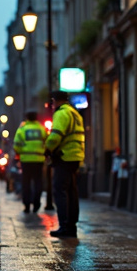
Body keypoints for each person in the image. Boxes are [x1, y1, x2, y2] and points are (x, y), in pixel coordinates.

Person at [45, 91, 85, 237]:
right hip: (76, 155)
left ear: (54, 100)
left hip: (64, 156)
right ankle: (72, 225)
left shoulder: (61, 114)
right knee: (71, 191)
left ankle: (65, 226)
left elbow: (56, 135)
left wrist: (47, 149)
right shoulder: (75, 113)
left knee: (60, 190)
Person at [13, 111, 47, 213]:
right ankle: (37, 203)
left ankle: (27, 204)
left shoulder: (22, 130)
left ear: (27, 118)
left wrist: (21, 153)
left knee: (26, 183)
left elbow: (16, 146)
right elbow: (47, 142)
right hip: (39, 160)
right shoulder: (42, 129)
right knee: (38, 182)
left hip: (26, 160)